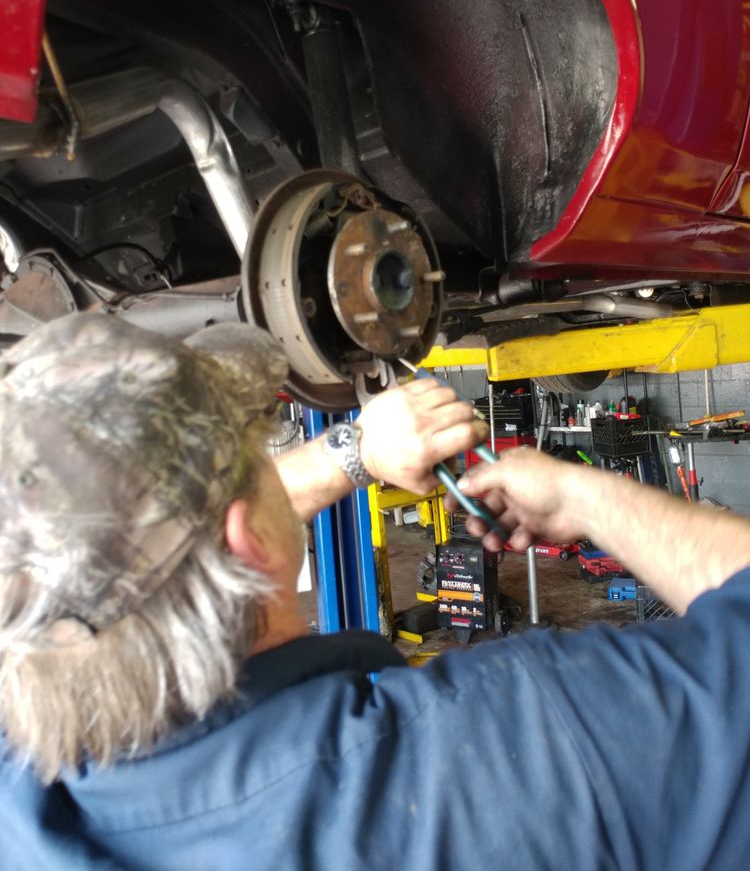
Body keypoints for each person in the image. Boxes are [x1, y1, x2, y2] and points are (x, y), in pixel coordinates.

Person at [1, 315, 750, 870]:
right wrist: (588, 498)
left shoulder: (22, 803)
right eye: (254, 451)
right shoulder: (516, 747)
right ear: (244, 539)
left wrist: (355, 451)